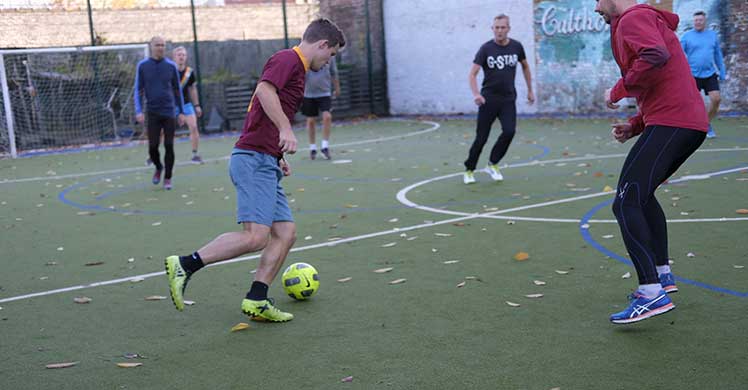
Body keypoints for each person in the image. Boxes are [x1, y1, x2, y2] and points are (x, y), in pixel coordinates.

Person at [164, 19, 345, 322]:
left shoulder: (297, 69)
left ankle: (257, 299)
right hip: (251, 159)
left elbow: (263, 112)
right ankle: (186, 264)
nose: (329, 61)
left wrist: (277, 153)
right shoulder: (288, 59)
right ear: (322, 44)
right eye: (332, 54)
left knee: (285, 233)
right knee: (255, 236)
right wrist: (285, 129)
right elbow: (264, 90)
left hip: (265, 159)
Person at [595, 0, 708, 324]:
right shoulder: (644, 19)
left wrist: (617, 90)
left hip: (675, 123)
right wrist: (635, 125)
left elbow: (655, 57)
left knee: (625, 201)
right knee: (641, 197)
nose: (595, 9)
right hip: (682, 123)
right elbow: (665, 82)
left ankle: (650, 292)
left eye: (597, 0)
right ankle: (662, 274)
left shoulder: (634, 18)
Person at [463, 14, 534, 185]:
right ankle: (469, 169)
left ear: (508, 28)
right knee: (481, 138)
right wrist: (476, 94)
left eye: (503, 27)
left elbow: (525, 66)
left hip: (508, 99)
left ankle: (493, 163)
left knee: (509, 131)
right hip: (488, 100)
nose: (500, 30)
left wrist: (530, 90)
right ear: (492, 29)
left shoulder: (517, 47)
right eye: (497, 27)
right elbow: (472, 74)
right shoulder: (486, 49)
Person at [134, 36, 185, 190]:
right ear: (151, 47)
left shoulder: (171, 66)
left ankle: (168, 178)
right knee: (153, 146)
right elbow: (138, 90)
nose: (161, 48)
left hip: (169, 112)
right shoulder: (143, 66)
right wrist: (138, 110)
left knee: (169, 145)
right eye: (158, 45)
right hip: (152, 112)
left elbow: (177, 90)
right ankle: (158, 167)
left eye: (163, 45)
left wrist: (181, 111)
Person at [681, 10, 726, 139]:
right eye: (696, 20)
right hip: (692, 75)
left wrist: (722, 72)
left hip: (710, 73)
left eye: (700, 20)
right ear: (693, 21)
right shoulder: (686, 36)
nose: (698, 22)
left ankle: (706, 124)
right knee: (694, 104)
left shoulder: (712, 36)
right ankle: (694, 126)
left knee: (716, 99)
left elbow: (718, 55)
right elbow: (677, 54)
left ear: (704, 21)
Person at [301, 59, 340, 160]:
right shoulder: (306, 54)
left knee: (327, 116)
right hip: (308, 94)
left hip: (325, 92)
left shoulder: (329, 55)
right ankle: (312, 148)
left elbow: (333, 72)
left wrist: (337, 88)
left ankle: (325, 146)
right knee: (311, 121)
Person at [172, 46, 204, 162]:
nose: (181, 57)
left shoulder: (189, 72)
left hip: (186, 104)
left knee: (194, 127)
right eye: (179, 55)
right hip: (171, 105)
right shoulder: (169, 70)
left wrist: (196, 105)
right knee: (161, 131)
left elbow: (192, 89)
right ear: (174, 57)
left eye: (183, 55)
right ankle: (153, 155)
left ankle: (195, 154)